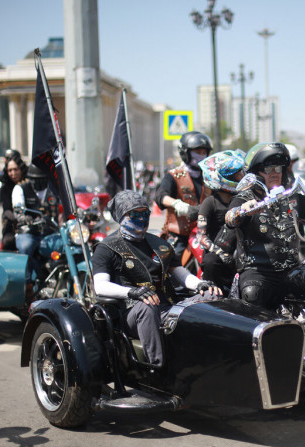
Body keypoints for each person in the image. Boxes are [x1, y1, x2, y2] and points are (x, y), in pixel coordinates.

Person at [93, 190, 221, 367]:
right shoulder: (106, 248)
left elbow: (180, 273)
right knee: (147, 306)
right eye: (134, 214)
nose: (142, 217)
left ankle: (213, 359)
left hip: (168, 307)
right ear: (122, 216)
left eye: (145, 212)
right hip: (132, 312)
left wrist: (200, 284)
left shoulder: (159, 243)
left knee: (212, 295)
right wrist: (133, 292)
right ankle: (157, 368)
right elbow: (100, 286)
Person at [225, 143, 305, 310]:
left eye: (278, 169)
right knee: (253, 293)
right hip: (259, 272)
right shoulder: (245, 198)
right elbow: (230, 218)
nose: (274, 174)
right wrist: (243, 211)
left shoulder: (292, 197)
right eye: (268, 169)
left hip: (292, 270)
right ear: (255, 173)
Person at [154, 131, 212, 266]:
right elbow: (160, 196)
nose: (202, 155)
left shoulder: (210, 176)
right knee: (171, 267)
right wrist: (178, 205)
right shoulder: (174, 176)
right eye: (198, 151)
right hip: (180, 236)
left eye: (204, 152)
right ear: (185, 152)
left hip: (205, 232)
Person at [196, 150, 246, 291]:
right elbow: (201, 236)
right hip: (219, 256)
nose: (241, 177)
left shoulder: (243, 200)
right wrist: (220, 253)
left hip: (240, 253)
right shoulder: (210, 202)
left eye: (240, 173)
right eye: (236, 175)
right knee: (211, 261)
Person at [12, 164, 60, 287]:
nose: (39, 182)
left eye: (42, 178)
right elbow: (18, 211)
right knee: (26, 246)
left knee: (66, 245)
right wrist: (25, 218)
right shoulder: (20, 189)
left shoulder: (53, 189)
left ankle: (63, 278)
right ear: (30, 178)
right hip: (29, 232)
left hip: (49, 232)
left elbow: (63, 211)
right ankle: (27, 283)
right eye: (36, 179)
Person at [0, 149, 28, 251]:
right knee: (8, 241)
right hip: (13, 223)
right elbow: (6, 209)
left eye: (16, 169)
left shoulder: (29, 184)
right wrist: (17, 218)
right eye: (10, 170)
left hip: (32, 222)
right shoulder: (5, 188)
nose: (13, 173)